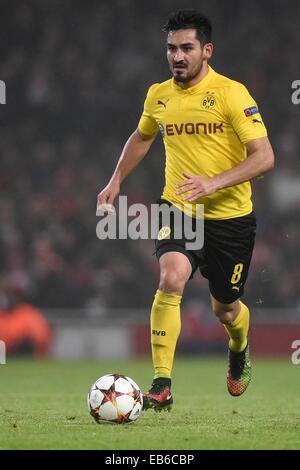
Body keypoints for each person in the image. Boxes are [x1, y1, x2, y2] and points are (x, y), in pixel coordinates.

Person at [97, 9, 275, 411]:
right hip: (179, 210)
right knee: (170, 278)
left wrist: (214, 182)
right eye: (171, 48)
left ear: (207, 50)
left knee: (226, 310)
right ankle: (162, 385)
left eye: (187, 48)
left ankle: (240, 345)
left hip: (230, 218)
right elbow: (142, 138)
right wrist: (115, 180)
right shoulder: (159, 94)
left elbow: (264, 157)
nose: (177, 56)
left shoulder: (232, 94)